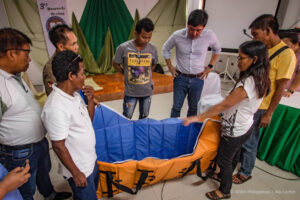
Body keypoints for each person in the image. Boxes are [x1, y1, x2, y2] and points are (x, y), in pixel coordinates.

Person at [183, 40, 271, 200]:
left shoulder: (249, 82)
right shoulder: (260, 77)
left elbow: (225, 104)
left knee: (224, 160)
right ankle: (223, 177)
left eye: (242, 58)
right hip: (246, 125)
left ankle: (224, 190)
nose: (238, 62)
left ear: (255, 59)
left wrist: (197, 117)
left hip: (234, 129)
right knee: (235, 154)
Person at [0, 28, 71, 200]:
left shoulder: (15, 76)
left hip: (37, 144)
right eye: (26, 53)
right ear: (11, 54)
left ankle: (50, 195)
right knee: (25, 188)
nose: (30, 59)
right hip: (19, 151)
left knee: (43, 174)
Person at [233, 14, 296, 184]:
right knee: (240, 136)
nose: (254, 38)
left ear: (268, 31)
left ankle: (245, 172)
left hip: (261, 106)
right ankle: (237, 163)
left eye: (256, 34)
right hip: (248, 101)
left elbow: (280, 87)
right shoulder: (264, 49)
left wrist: (269, 113)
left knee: (250, 141)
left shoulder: (287, 54)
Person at [41, 50, 99, 200]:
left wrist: (91, 100)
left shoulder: (74, 95)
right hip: (80, 169)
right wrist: (76, 173)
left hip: (90, 161)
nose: (85, 77)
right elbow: (58, 146)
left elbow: (88, 121)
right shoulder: (56, 107)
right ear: (71, 76)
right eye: (82, 73)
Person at [162, 9, 221, 118]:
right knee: (176, 107)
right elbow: (165, 49)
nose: (194, 33)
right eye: (191, 29)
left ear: (204, 27)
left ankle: (188, 131)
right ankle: (172, 130)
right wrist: (170, 67)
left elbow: (217, 50)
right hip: (180, 78)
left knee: (193, 108)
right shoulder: (177, 35)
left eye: (198, 30)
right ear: (187, 25)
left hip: (198, 79)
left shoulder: (209, 35)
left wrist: (210, 67)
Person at [113, 18, 158, 119]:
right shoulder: (123, 48)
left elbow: (154, 64)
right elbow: (115, 64)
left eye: (149, 37)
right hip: (131, 92)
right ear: (136, 33)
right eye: (144, 37)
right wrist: (125, 72)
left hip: (147, 91)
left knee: (144, 117)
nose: (147, 40)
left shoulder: (153, 48)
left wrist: (147, 73)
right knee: (127, 117)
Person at [43, 24, 79, 96]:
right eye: (73, 44)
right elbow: (54, 98)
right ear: (61, 47)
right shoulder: (50, 69)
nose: (77, 47)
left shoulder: (73, 59)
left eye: (76, 42)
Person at [279, 31, 300, 96]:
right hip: (281, 89)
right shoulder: (287, 54)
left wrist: (290, 90)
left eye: (286, 44)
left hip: (292, 93)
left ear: (295, 45)